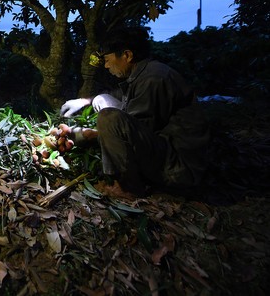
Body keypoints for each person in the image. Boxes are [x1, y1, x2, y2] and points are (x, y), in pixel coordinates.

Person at [60, 27, 210, 196]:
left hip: (178, 167)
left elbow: (132, 132)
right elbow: (115, 98)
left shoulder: (153, 79)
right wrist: (84, 101)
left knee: (108, 117)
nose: (107, 66)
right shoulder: (142, 74)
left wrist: (84, 135)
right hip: (164, 148)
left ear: (127, 55)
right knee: (102, 100)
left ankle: (128, 187)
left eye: (108, 60)